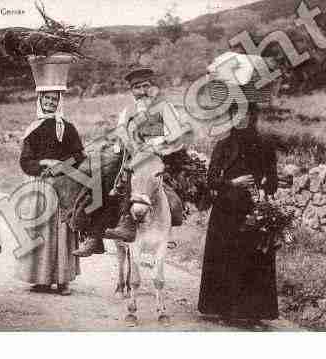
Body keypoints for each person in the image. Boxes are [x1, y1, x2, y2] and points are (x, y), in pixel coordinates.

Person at [73, 67, 189, 257]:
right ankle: (95, 236)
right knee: (103, 179)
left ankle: (153, 226)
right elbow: (120, 132)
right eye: (137, 87)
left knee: (149, 179)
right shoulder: (128, 111)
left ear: (153, 87)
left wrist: (156, 143)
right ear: (131, 91)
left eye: (146, 86)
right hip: (132, 156)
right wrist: (126, 144)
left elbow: (175, 133)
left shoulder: (164, 107)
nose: (142, 91)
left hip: (160, 154)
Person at [197, 102, 279, 326]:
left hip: (254, 210)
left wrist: (265, 186)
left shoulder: (265, 145)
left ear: (253, 117)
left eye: (246, 115)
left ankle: (254, 313)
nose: (240, 119)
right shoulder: (223, 146)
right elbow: (211, 180)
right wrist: (233, 182)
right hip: (226, 211)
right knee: (226, 258)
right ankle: (224, 311)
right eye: (235, 115)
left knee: (255, 260)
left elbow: (273, 179)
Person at [18, 90, 85, 295]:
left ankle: (63, 280)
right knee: (42, 229)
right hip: (41, 184)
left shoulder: (67, 127)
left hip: (64, 185)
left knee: (62, 229)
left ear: (59, 102)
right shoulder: (33, 128)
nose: (50, 102)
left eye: (54, 99)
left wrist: (62, 165)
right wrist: (43, 163)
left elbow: (79, 155)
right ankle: (42, 279)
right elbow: (25, 161)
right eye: (46, 98)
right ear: (40, 101)